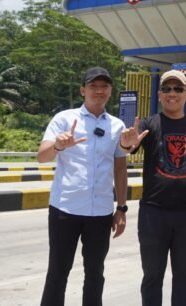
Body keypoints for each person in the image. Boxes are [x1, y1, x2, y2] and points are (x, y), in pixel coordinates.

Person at [37, 67, 137, 306]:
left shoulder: (117, 126)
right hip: (65, 209)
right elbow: (42, 156)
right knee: (58, 271)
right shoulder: (64, 119)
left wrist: (121, 208)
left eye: (104, 86)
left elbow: (120, 168)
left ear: (110, 91)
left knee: (95, 273)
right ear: (83, 90)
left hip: (100, 213)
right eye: (93, 86)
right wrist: (58, 146)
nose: (99, 91)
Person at [121, 70, 186, 306]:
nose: (172, 93)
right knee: (152, 276)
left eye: (177, 89)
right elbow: (129, 146)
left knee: (184, 277)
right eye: (166, 89)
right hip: (153, 213)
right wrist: (126, 143)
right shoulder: (148, 124)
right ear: (159, 94)